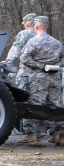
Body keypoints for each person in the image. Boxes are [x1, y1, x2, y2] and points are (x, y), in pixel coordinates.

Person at [18, 16, 64, 146]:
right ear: (46, 26)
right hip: (55, 78)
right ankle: (61, 136)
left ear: (36, 26)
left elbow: (24, 59)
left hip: (39, 79)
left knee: (39, 107)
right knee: (58, 105)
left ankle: (40, 138)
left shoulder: (33, 42)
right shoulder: (57, 42)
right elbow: (63, 59)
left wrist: (40, 66)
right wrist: (56, 66)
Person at [4, 13, 36, 133]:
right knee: (42, 103)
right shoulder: (44, 36)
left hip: (26, 74)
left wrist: (7, 63)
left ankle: (29, 133)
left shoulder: (24, 34)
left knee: (26, 102)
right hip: (44, 75)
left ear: (28, 23)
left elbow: (15, 51)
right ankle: (53, 134)